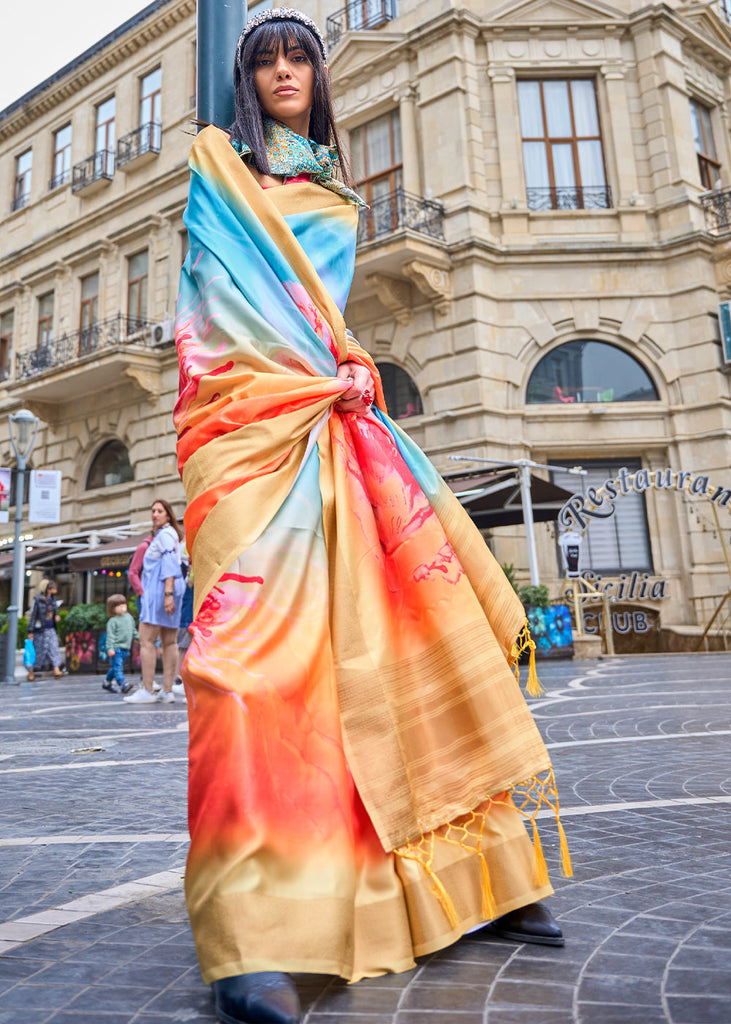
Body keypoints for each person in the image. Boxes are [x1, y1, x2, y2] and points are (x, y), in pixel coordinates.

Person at [175, 10, 571, 1024]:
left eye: (296, 55)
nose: (279, 72)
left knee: (405, 645)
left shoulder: (335, 196)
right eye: (261, 59)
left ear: (318, 72)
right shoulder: (221, 170)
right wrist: (308, 376)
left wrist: (350, 362)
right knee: (242, 671)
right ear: (243, 82)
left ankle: (476, 876)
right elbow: (211, 319)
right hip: (246, 440)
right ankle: (253, 936)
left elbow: (326, 320)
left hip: (339, 438)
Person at [123, 499, 185, 705]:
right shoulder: (172, 534)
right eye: (153, 511)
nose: (155, 514)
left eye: (160, 510)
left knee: (146, 640)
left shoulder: (165, 535)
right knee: (169, 641)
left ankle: (148, 689)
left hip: (159, 592)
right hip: (169, 591)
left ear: (168, 515)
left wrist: (167, 594)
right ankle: (166, 691)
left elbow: (168, 562)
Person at [26, 578, 63, 680]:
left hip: (51, 628)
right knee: (38, 651)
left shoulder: (53, 600)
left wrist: (56, 617)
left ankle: (56, 669)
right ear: (48, 589)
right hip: (40, 629)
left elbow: (54, 612)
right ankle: (31, 672)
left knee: (54, 648)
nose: (55, 589)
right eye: (53, 588)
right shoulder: (37, 599)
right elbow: (33, 615)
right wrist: (30, 631)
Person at [102, 593, 138, 694]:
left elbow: (133, 630)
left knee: (115, 668)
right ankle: (123, 684)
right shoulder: (112, 621)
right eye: (119, 605)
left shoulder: (129, 618)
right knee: (118, 668)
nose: (122, 607)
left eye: (124, 604)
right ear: (112, 609)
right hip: (116, 649)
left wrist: (140, 639)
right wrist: (110, 648)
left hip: (126, 649)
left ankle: (107, 682)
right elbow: (110, 636)